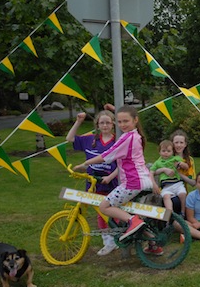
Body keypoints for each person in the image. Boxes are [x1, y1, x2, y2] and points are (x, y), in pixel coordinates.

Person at [73, 106, 160, 250]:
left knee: (104, 206)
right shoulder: (136, 135)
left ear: (135, 120)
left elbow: (107, 155)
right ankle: (153, 243)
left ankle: (133, 222)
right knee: (126, 211)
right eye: (119, 122)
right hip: (143, 180)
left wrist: (85, 163)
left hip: (132, 182)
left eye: (126, 121)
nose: (122, 125)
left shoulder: (127, 138)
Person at [66, 110, 119, 256]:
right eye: (102, 122)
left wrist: (111, 177)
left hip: (111, 181)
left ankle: (117, 237)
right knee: (100, 211)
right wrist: (78, 122)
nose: (105, 125)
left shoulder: (117, 140)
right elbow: (69, 138)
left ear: (113, 123)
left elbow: (122, 163)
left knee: (113, 210)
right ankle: (107, 241)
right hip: (94, 182)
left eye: (108, 122)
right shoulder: (90, 139)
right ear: (97, 124)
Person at [150, 140, 189, 216]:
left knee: (183, 194)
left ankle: (183, 212)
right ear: (159, 152)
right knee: (166, 197)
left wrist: (181, 164)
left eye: (168, 151)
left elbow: (186, 167)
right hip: (166, 186)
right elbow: (151, 172)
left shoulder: (175, 158)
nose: (166, 153)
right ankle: (170, 215)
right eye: (163, 151)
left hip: (177, 184)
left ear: (172, 152)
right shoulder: (158, 162)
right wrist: (154, 184)